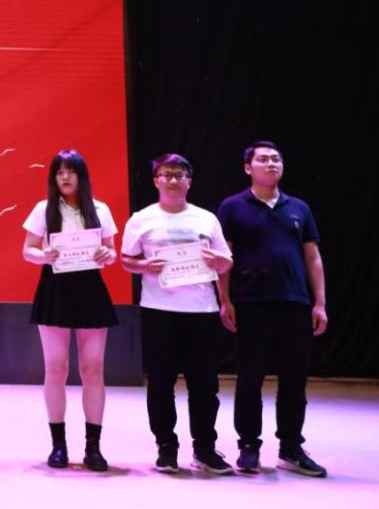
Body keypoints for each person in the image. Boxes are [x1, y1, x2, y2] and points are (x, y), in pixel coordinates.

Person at [216, 140, 328, 477]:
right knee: (250, 378)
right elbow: (223, 258)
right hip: (251, 303)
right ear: (247, 167)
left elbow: (313, 257)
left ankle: (291, 448)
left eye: (276, 159)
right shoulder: (233, 207)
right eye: (263, 159)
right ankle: (249, 447)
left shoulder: (299, 208)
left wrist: (320, 302)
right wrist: (225, 300)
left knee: (294, 380)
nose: (271, 164)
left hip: (295, 302)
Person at [120, 153, 233, 474]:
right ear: (156, 180)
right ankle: (166, 448)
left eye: (179, 175)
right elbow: (126, 260)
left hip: (202, 310)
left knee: (204, 385)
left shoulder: (206, 219)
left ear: (189, 181)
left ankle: (205, 448)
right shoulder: (141, 219)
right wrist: (145, 265)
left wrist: (218, 262)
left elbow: (227, 261)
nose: (173, 180)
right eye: (166, 174)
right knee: (160, 383)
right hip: (159, 310)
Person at [22, 149, 117, 471]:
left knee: (93, 368)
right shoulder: (43, 209)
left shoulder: (100, 209)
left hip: (90, 289)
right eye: (59, 172)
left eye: (71, 171)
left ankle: (93, 447)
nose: (65, 177)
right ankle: (58, 445)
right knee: (56, 368)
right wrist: (44, 255)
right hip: (55, 288)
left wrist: (106, 255)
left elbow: (111, 251)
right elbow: (27, 250)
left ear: (81, 176)